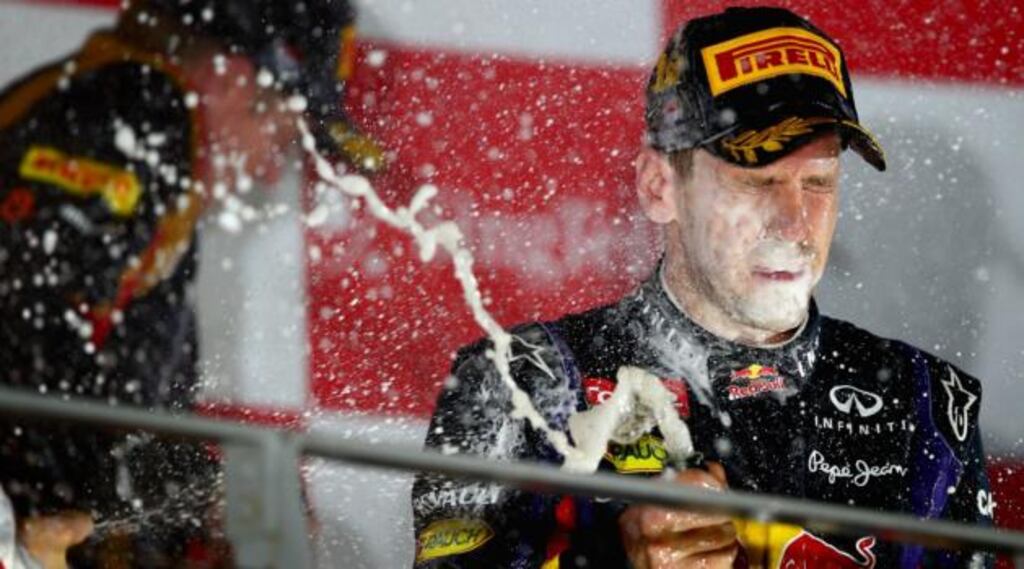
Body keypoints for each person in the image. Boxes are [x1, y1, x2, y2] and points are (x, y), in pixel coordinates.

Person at [412, 6, 993, 568]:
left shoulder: (931, 403)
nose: (794, 224)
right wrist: (610, 559)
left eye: (818, 182)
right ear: (659, 186)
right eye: (756, 181)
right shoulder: (515, 383)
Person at [0, 0, 380, 566]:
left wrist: (201, 503)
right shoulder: (132, 107)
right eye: (277, 128)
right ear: (235, 77)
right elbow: (24, 326)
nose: (272, 171)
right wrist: (55, 507)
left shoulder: (146, 138)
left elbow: (142, 414)